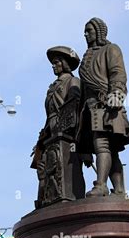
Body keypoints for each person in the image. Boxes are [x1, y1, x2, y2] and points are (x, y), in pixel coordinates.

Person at [77, 17, 129, 197]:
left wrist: (117, 94)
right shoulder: (86, 56)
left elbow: (118, 74)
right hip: (89, 108)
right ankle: (118, 190)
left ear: (99, 32)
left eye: (90, 30)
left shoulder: (111, 49)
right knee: (109, 150)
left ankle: (101, 185)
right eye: (85, 31)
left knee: (103, 146)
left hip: (106, 107)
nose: (86, 34)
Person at [31, 46, 90, 208]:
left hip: (67, 132)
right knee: (44, 170)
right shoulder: (52, 86)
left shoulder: (73, 82)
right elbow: (48, 113)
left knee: (68, 169)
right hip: (50, 133)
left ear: (65, 63)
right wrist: (41, 139)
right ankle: (44, 199)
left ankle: (71, 199)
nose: (53, 65)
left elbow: (76, 109)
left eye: (57, 62)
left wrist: (76, 137)